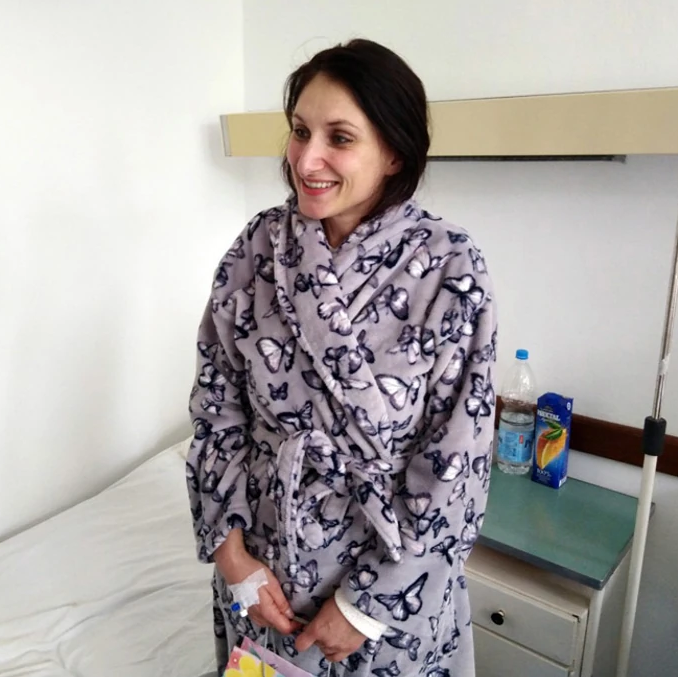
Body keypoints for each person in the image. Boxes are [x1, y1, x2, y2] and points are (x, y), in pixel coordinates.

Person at [186, 38, 498, 676]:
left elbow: (457, 463)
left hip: (389, 588)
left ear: (394, 153)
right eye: (300, 131)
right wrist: (231, 554)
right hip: (264, 578)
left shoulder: (450, 268)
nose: (307, 159)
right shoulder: (257, 249)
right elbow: (217, 411)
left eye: (340, 137)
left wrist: (364, 607)